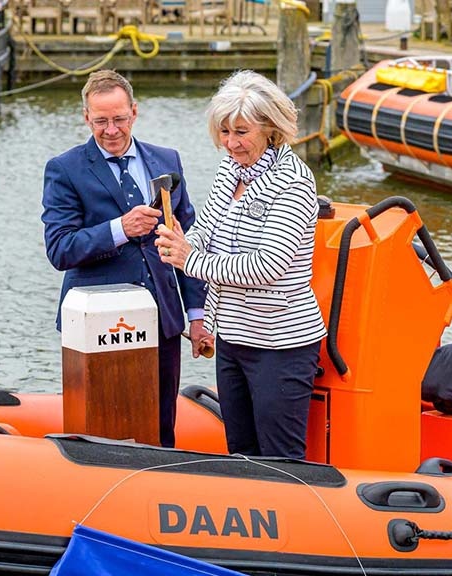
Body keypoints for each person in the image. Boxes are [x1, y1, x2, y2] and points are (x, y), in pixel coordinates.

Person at [155, 70, 327, 459]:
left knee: (280, 457)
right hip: (233, 337)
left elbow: (269, 265)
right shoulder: (230, 170)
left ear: (270, 128)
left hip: (280, 344)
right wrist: (182, 241)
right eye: (224, 132)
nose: (230, 143)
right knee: (241, 452)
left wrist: (190, 259)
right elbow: (207, 229)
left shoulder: (294, 182)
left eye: (241, 132)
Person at [41, 69, 210, 448]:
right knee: (101, 431)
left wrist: (197, 316)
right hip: (97, 325)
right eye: (101, 121)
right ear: (86, 117)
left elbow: (188, 242)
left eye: (119, 119)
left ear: (134, 111)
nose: (111, 130)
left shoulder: (167, 160)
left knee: (162, 427)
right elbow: (60, 248)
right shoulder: (65, 169)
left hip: (163, 318)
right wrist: (120, 228)